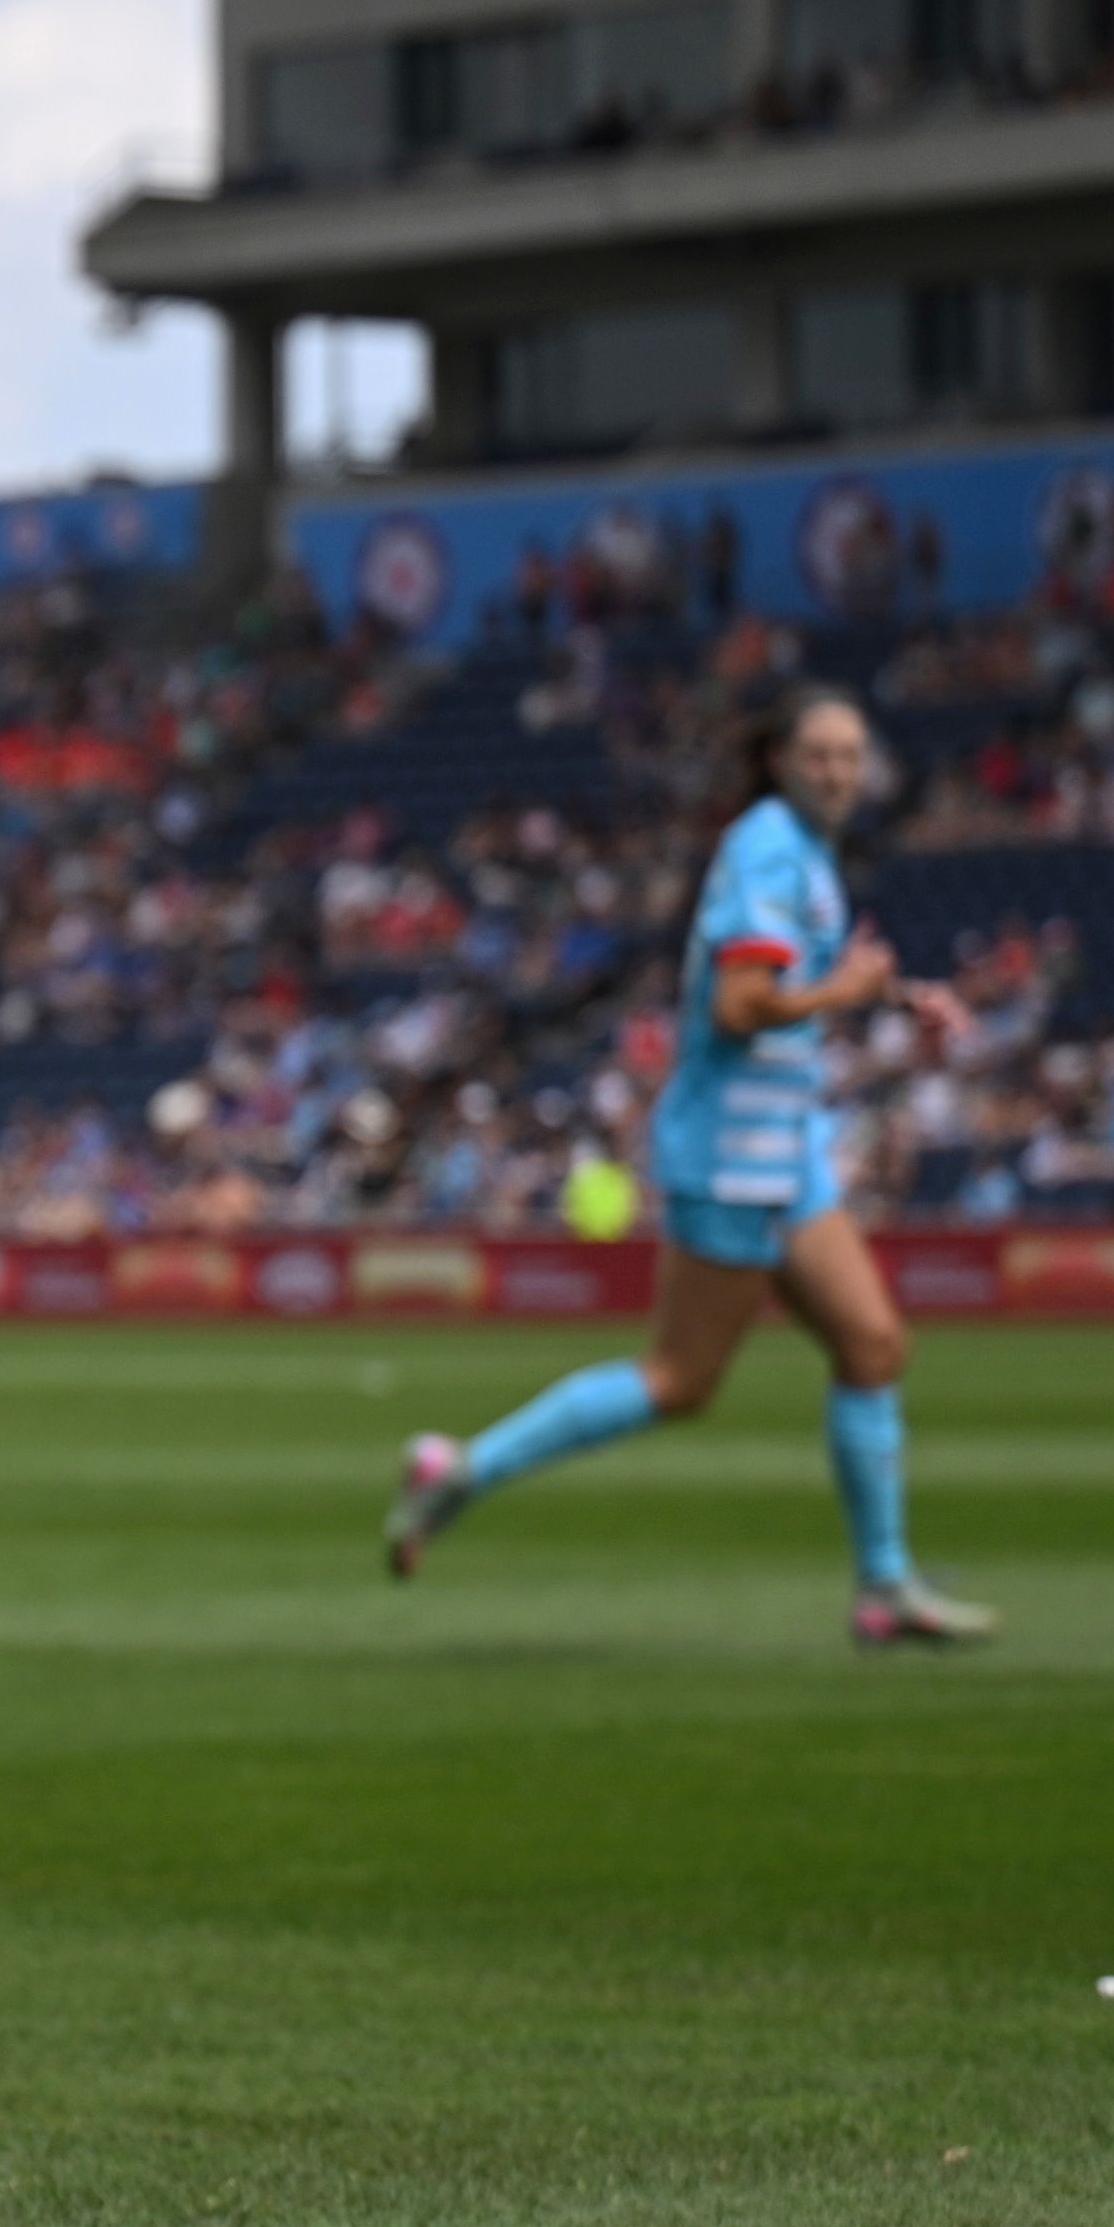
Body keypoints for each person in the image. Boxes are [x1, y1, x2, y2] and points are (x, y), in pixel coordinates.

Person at [387, 688, 995, 1645]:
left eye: (851, 755)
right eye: (821, 755)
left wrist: (896, 993)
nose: (839, 772)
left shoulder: (804, 855)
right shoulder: (765, 849)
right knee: (679, 1380)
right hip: (729, 1153)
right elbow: (740, 1005)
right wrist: (843, 990)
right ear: (780, 762)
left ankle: (882, 1589)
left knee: (873, 1347)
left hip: (784, 1145)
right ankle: (462, 1469)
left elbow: (801, 977)